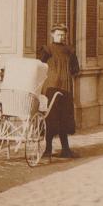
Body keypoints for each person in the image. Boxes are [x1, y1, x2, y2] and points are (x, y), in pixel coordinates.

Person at [38, 23, 80, 162]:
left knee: (65, 118)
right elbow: (39, 66)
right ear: (52, 34)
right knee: (51, 117)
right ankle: (48, 150)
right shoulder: (47, 49)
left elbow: (75, 70)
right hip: (51, 88)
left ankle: (66, 149)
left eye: (63, 34)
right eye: (58, 34)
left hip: (66, 88)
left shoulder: (70, 50)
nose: (61, 36)